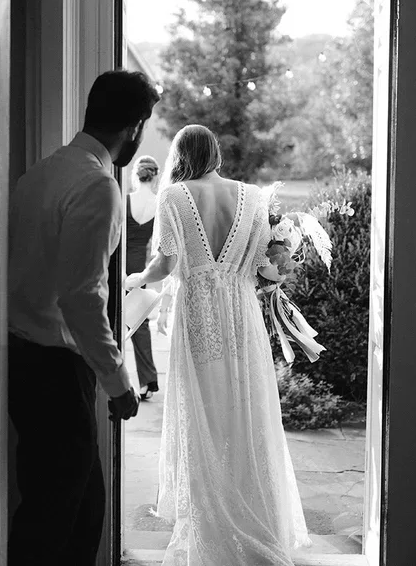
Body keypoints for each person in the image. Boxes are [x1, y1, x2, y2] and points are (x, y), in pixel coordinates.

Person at [125, 124, 312, 565]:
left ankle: (215, 529)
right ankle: (256, 520)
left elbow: (167, 264)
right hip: (241, 316)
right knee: (246, 412)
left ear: (180, 155)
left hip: (199, 316)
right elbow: (266, 261)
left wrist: (134, 279)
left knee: (204, 415)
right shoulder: (253, 196)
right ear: (215, 153)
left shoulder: (174, 196)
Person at [7, 69, 160, 565]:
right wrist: (119, 382)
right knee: (56, 521)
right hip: (55, 371)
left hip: (22, 357)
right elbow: (83, 297)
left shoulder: (44, 171)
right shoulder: (97, 186)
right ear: (134, 127)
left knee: (78, 507)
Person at [125, 155, 160, 400]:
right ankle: (147, 382)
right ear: (155, 176)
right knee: (139, 322)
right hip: (140, 269)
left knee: (111, 318)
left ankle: (109, 378)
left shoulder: (125, 200)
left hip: (119, 266)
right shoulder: (158, 204)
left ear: (135, 175)